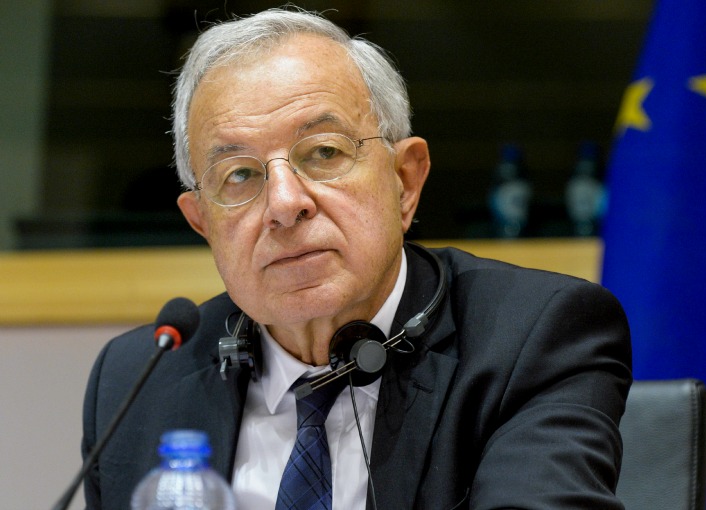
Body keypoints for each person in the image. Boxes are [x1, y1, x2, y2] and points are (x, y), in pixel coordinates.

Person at [81, 7, 632, 509]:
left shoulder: (534, 339)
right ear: (203, 222)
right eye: (240, 174)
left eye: (324, 152)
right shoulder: (137, 382)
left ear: (405, 181)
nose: (284, 204)